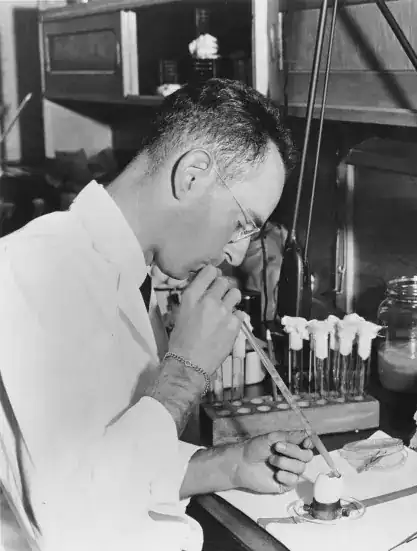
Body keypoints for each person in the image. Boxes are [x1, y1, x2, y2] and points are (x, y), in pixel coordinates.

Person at [0, 78, 312, 551]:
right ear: (192, 176)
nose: (236, 252)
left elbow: (108, 467)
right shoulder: (32, 270)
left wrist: (229, 465)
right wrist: (185, 372)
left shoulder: (125, 273)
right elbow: (71, 523)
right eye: (242, 222)